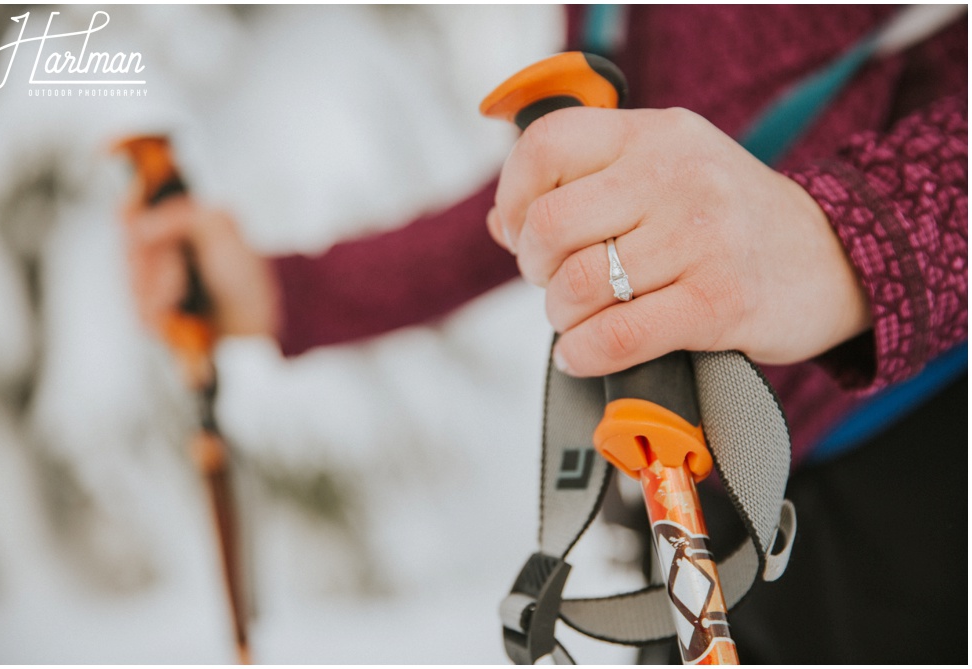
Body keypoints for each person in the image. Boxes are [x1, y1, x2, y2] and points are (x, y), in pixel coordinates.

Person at [122, 6, 967, 663]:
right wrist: (290, 291)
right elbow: (580, 185)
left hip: (923, 460)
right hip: (706, 491)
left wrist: (847, 237)